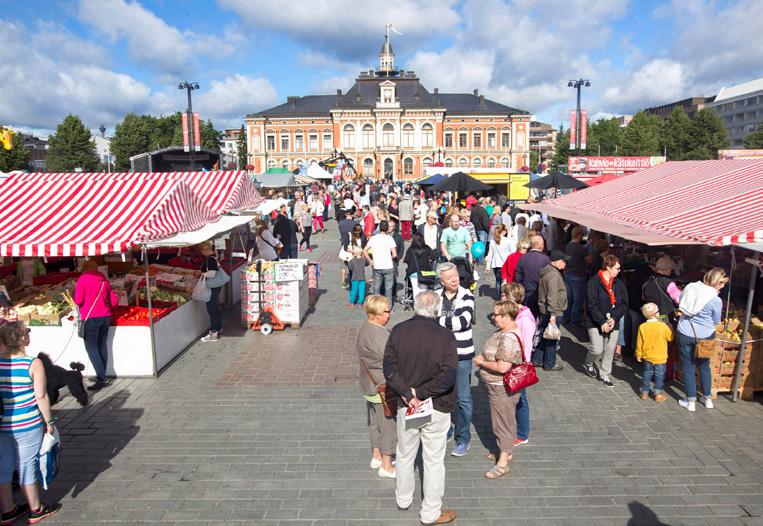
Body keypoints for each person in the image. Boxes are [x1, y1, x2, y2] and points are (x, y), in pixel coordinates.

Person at [383, 291, 458, 526]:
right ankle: (430, 512)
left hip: (408, 405)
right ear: (436, 310)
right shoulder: (446, 336)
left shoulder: (398, 330)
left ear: (415, 307)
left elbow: (389, 368)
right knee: (433, 459)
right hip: (437, 405)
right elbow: (448, 376)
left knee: (405, 454)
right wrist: (422, 394)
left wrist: (408, 393)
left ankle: (403, 499)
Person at [0, 321, 62, 524]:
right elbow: (41, 396)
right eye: (26, 331)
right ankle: (36, 508)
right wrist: (49, 421)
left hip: (3, 423)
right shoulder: (33, 363)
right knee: (27, 465)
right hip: (27, 422)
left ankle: (9, 510)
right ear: (22, 339)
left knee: (5, 466)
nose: (28, 334)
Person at [472, 300, 525, 479]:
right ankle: (505, 451)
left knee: (502, 423)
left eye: (496, 315)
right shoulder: (504, 331)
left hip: (501, 387)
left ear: (507, 316)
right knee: (502, 419)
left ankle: (503, 462)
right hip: (496, 387)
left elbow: (503, 367)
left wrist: (482, 362)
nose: (493, 317)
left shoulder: (509, 338)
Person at [435, 262, 475, 458]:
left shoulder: (467, 295)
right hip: (440, 355)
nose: (454, 279)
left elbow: (462, 322)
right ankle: (446, 430)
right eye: (449, 277)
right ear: (441, 280)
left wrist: (437, 321)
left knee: (463, 399)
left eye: (456, 275)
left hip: (462, 354)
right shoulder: (435, 295)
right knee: (441, 395)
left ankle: (463, 438)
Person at [675, 267, 727, 411]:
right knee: (704, 366)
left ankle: (690, 401)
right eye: (722, 283)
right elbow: (716, 320)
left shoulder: (691, 288)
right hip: (706, 335)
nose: (723, 287)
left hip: (685, 332)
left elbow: (681, 303)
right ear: (716, 282)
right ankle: (707, 398)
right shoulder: (715, 300)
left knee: (688, 366)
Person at [357, 295, 396, 478]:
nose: (390, 314)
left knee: (373, 423)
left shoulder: (365, 328)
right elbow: (391, 359)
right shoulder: (379, 334)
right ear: (377, 314)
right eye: (387, 311)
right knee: (388, 425)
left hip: (368, 384)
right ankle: (387, 465)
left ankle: (376, 455)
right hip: (382, 385)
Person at [583, 254, 629, 386]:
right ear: (608, 267)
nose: (619, 271)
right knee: (597, 349)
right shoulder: (593, 282)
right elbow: (591, 304)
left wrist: (614, 318)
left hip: (613, 321)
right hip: (595, 320)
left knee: (609, 349)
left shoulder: (619, 284)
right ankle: (589, 362)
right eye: (617, 268)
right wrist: (601, 321)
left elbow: (624, 303)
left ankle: (604, 374)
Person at [74, 259, 118, 390]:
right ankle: (102, 375)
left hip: (91, 317)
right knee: (101, 345)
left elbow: (78, 300)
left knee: (92, 347)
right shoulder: (104, 280)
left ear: (85, 268)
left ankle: (101, 377)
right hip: (106, 317)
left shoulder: (83, 279)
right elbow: (114, 301)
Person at [501, 283, 535, 446]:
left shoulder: (524, 319)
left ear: (511, 298)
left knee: (520, 399)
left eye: (504, 295)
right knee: (515, 398)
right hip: (512, 362)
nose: (501, 297)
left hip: (518, 365)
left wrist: (519, 364)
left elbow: (526, 346)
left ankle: (522, 433)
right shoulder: (516, 314)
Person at [535, 250, 569, 371]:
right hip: (553, 312)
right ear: (556, 262)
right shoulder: (553, 275)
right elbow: (552, 295)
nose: (565, 263)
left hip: (547, 310)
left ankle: (537, 359)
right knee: (552, 338)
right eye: (564, 261)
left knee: (544, 335)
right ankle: (549, 363)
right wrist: (553, 315)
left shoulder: (549, 272)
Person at [636, 302, 673, 403]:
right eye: (658, 311)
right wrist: (670, 326)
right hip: (660, 356)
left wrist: (639, 354)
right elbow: (670, 338)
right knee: (659, 375)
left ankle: (644, 392)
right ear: (654, 314)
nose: (659, 312)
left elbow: (639, 342)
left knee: (647, 373)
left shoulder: (642, 326)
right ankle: (658, 394)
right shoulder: (662, 326)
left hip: (647, 356)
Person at [514, 235, 550, 317]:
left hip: (526, 291)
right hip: (541, 292)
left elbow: (518, 277)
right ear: (540, 245)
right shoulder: (546, 259)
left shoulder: (523, 258)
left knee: (528, 315)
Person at [364, 220, 398, 305]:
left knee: (376, 287)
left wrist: (370, 260)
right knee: (388, 289)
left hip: (377, 266)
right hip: (388, 266)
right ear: (387, 229)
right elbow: (394, 254)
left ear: (379, 228)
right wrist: (388, 257)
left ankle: (375, 306)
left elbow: (364, 250)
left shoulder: (373, 238)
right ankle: (388, 308)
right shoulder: (390, 239)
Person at [562, 226, 590, 327]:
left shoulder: (568, 246)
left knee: (569, 298)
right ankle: (575, 321)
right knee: (577, 299)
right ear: (579, 235)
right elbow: (589, 260)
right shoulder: (581, 248)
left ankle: (565, 319)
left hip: (568, 274)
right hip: (578, 275)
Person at [198, 242, 225, 342]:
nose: (201, 252)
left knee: (212, 309)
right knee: (215, 308)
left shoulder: (210, 259)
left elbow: (212, 273)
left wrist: (202, 274)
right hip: (216, 287)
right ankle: (218, 329)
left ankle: (214, 333)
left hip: (212, 287)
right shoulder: (214, 257)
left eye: (201, 250)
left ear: (205, 250)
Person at [485, 224, 515, 300]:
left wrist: (488, 266)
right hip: (506, 264)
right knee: (507, 282)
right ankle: (507, 297)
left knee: (498, 282)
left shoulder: (492, 241)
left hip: (496, 264)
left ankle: (498, 298)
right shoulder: (509, 240)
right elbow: (513, 253)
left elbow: (490, 255)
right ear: (504, 231)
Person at [404, 233, 437, 299]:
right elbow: (433, 257)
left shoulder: (410, 249)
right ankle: (424, 305)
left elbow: (406, 260)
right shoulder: (427, 248)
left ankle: (417, 306)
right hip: (425, 272)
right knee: (424, 290)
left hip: (413, 272)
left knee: (416, 290)